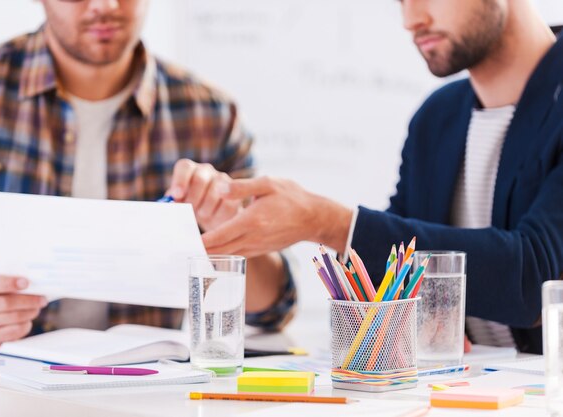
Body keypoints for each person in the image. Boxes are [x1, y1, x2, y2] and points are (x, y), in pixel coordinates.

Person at [202, 0, 563, 353]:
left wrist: (329, 223)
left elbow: (539, 279)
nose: (411, 19)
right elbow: (394, 268)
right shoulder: (436, 119)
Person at [0, 0, 296, 350]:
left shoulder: (210, 115)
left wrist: (232, 229)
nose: (105, 5)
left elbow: (271, 310)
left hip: (139, 398)